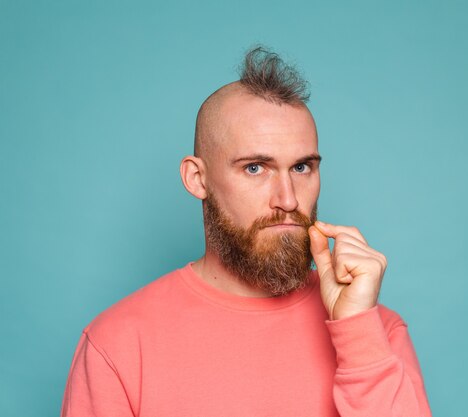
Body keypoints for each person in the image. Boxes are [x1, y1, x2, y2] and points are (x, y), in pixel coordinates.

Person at [60, 46, 432, 416]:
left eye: (302, 168)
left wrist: (357, 333)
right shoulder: (116, 344)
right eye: (255, 168)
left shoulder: (377, 332)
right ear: (197, 178)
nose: (287, 200)